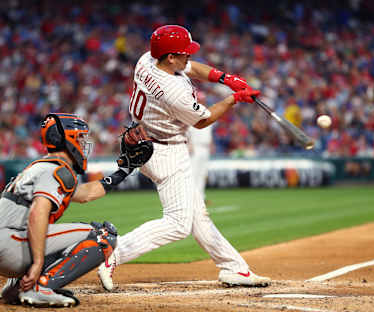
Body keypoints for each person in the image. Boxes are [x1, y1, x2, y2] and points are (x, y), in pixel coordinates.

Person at [98, 25, 270, 290]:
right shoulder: (172, 90)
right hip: (166, 151)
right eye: (184, 53)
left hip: (146, 143)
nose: (189, 56)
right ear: (170, 57)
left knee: (197, 214)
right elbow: (203, 120)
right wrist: (233, 98)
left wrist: (225, 78)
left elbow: (192, 68)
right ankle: (114, 254)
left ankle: (234, 268)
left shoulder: (147, 60)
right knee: (179, 224)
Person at [0, 113, 139, 307]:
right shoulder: (56, 169)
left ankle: (15, 289)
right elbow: (37, 213)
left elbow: (85, 194)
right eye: (80, 137)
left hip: (2, 246)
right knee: (103, 236)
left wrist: (124, 170)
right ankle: (40, 288)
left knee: (62, 239)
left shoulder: (44, 167)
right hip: (11, 244)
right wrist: (38, 262)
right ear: (67, 138)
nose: (83, 143)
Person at [186, 114, 213, 205]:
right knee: (194, 174)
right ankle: (192, 198)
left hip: (205, 147)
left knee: (202, 174)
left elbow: (209, 134)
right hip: (196, 147)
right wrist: (189, 143)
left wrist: (211, 144)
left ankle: (201, 198)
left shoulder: (208, 115)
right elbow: (186, 131)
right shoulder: (193, 116)